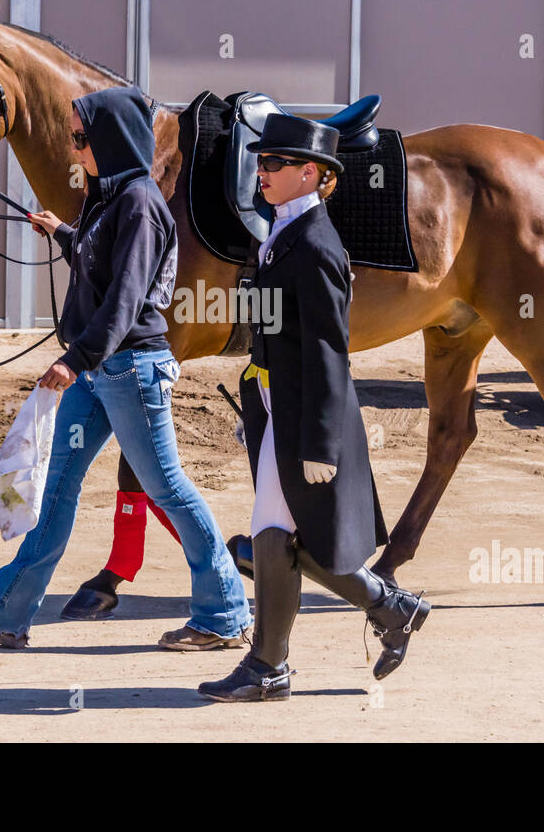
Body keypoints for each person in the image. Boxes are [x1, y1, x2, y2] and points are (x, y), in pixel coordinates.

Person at [0, 85, 252, 650]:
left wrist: (73, 360)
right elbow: (99, 260)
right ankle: (5, 612)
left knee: (170, 489)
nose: (74, 147)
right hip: (101, 371)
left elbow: (126, 297)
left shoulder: (138, 202)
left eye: (82, 138)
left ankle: (226, 614)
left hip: (130, 369)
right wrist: (62, 233)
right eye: (74, 138)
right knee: (58, 486)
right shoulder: (110, 198)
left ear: (112, 140)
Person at [198, 113, 430, 702]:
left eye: (275, 164)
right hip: (280, 402)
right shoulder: (282, 232)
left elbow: (331, 350)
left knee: (274, 536)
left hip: (307, 414)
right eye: (261, 162)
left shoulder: (318, 244)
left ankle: (270, 668)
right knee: (276, 538)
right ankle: (387, 607)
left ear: (312, 173)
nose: (263, 172)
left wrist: (321, 442)